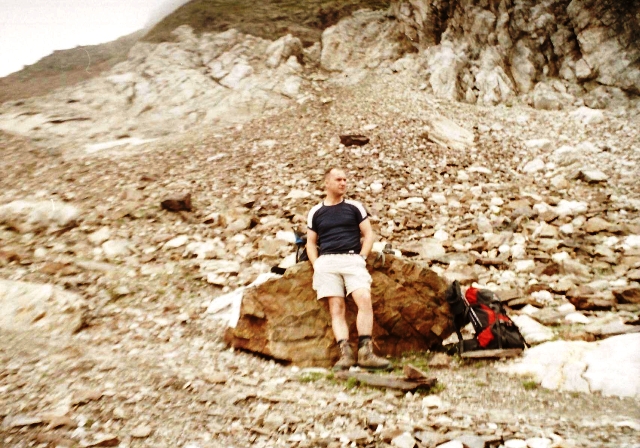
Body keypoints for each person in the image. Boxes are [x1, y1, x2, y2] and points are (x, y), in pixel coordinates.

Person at [306, 168, 391, 371]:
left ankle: (366, 352)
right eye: (338, 179)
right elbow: (311, 242)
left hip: (352, 258)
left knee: (364, 298)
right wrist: (316, 263)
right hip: (327, 262)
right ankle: (345, 353)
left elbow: (368, 234)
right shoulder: (315, 212)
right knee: (337, 307)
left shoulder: (354, 207)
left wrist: (362, 256)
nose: (343, 183)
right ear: (327, 183)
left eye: (345, 179)